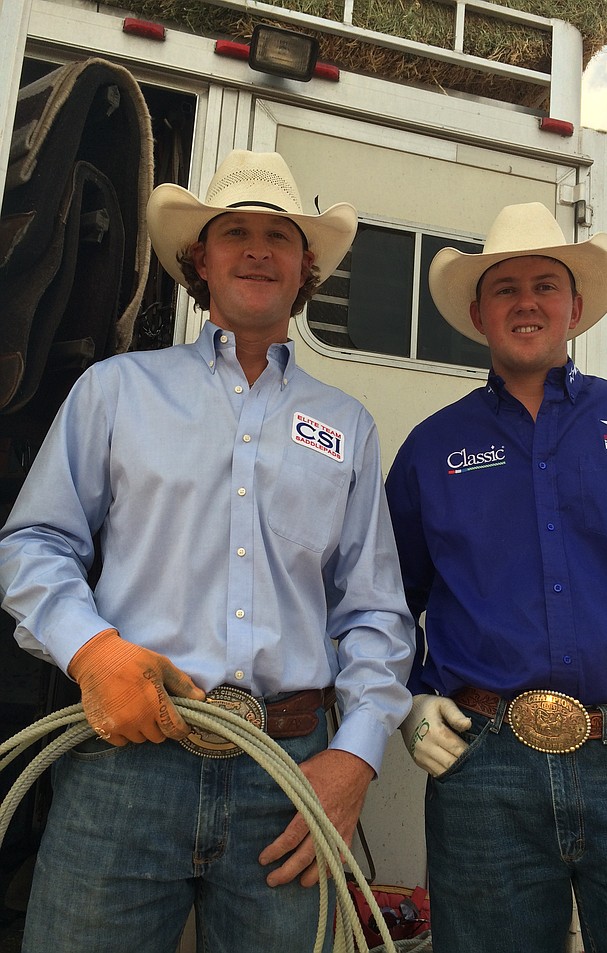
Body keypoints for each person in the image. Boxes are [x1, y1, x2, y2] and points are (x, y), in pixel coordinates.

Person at [0, 150, 414, 953]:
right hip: (123, 760)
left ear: (306, 268)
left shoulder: (348, 425)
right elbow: (35, 540)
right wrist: (92, 652)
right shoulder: (117, 390)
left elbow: (373, 611)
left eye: (279, 236)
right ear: (200, 259)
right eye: (235, 233)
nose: (257, 249)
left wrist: (355, 757)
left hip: (288, 770)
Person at [385, 201, 607, 953]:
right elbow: (385, 599)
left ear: (574, 308)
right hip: (483, 771)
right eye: (504, 288)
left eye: (544, 284)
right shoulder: (431, 449)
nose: (525, 301)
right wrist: (410, 697)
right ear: (477, 312)